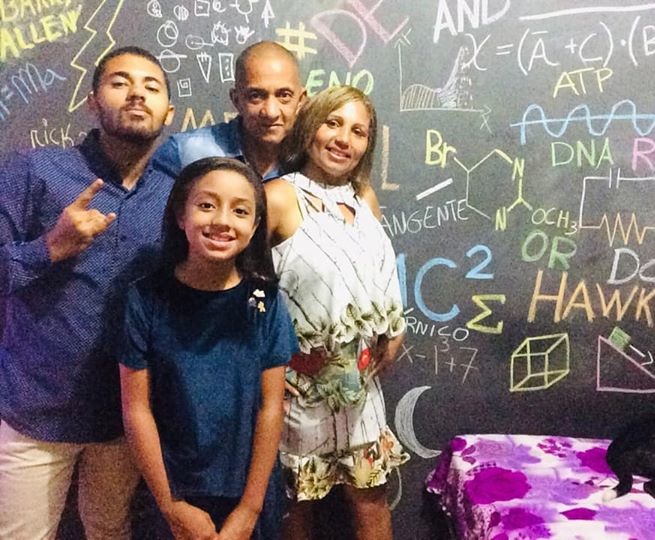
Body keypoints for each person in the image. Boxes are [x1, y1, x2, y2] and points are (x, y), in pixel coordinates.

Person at [0, 46, 175, 539]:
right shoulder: (34, 171)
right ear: (92, 102)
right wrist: (50, 247)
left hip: (124, 416)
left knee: (109, 530)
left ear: (168, 113)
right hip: (35, 410)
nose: (136, 93)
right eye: (120, 82)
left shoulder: (175, 194)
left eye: (151, 86)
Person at [119, 157, 299, 540]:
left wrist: (249, 510)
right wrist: (171, 505)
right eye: (206, 205)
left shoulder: (264, 301)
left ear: (255, 226)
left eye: (240, 211)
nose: (222, 220)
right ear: (180, 215)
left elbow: (271, 407)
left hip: (249, 492)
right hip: (171, 490)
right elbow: (136, 409)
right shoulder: (145, 298)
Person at [265, 86, 409, 540]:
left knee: (371, 500)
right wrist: (262, 364)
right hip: (298, 387)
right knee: (296, 506)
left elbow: (379, 271)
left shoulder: (364, 198)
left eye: (358, 131)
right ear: (311, 127)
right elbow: (243, 288)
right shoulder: (278, 197)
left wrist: (395, 327)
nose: (344, 138)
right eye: (333, 123)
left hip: (360, 385)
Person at [153, 41, 306, 181]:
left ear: (301, 100)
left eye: (284, 96)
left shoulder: (311, 161)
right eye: (256, 96)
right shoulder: (184, 153)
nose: (271, 113)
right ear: (236, 100)